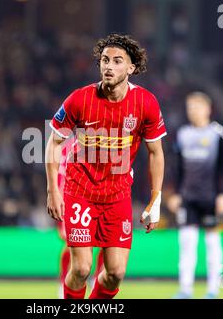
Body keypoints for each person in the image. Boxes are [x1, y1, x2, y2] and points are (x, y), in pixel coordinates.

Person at [45, 34, 166, 299]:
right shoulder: (79, 99)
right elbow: (53, 143)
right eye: (104, 60)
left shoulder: (146, 103)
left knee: (115, 273)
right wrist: (53, 191)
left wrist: (155, 199)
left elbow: (156, 152)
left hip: (117, 195)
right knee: (81, 268)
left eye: (117, 61)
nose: (108, 66)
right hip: (80, 191)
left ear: (131, 68)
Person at [167, 92, 223, 299]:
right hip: (187, 198)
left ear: (207, 109)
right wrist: (175, 193)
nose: (192, 111)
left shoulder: (218, 134)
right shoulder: (182, 134)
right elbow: (177, 167)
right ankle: (185, 289)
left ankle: (214, 289)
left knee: (213, 243)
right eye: (189, 107)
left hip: (211, 197)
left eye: (196, 106)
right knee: (186, 244)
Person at [56, 137, 104, 298]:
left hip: (101, 199)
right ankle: (64, 282)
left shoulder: (103, 141)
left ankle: (96, 279)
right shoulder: (66, 146)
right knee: (72, 243)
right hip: (72, 200)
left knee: (107, 243)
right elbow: (60, 176)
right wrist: (59, 200)